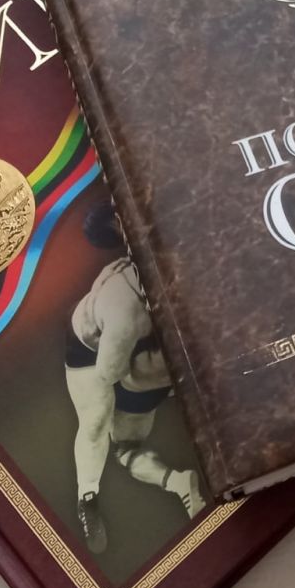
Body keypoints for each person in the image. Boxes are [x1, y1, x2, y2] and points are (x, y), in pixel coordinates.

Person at [66, 203, 204, 555]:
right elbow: (107, 373)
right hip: (101, 350)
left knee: (121, 443)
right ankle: (88, 496)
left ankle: (174, 483)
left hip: (148, 361)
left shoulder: (155, 289)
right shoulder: (124, 307)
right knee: (98, 421)